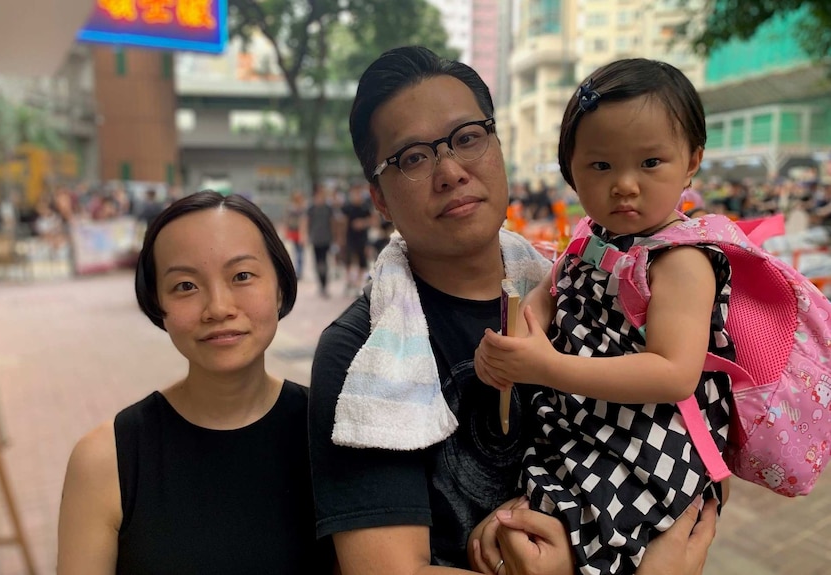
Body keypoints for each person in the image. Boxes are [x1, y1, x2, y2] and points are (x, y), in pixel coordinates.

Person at [308, 46, 716, 575]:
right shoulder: (361, 354)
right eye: (412, 157)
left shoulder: (589, 285)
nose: (450, 170)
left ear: (497, 145)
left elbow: (694, 430)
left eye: (467, 137)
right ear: (379, 198)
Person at [474, 59, 732, 574]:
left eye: (651, 162)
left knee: (583, 539)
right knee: (521, 523)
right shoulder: (591, 240)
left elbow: (673, 373)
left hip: (653, 442)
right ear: (571, 169)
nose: (625, 185)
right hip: (588, 424)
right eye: (601, 166)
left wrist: (544, 368)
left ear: (692, 160)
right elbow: (547, 298)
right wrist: (511, 349)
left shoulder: (681, 259)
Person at [57, 191, 332, 574]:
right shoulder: (106, 461)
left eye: (242, 276)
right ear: (158, 305)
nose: (218, 308)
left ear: (280, 285)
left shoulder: (332, 434)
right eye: (185, 285)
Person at [308, 185, 335, 297]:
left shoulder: (328, 208)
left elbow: (332, 222)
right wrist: (306, 236)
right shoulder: (311, 208)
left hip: (326, 238)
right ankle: (320, 284)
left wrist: (334, 237)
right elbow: (307, 222)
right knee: (318, 262)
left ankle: (324, 285)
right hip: (315, 238)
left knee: (324, 262)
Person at [284, 190, 308, 279]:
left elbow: (305, 221)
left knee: (300, 252)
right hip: (294, 231)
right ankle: (298, 270)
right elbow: (287, 220)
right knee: (296, 251)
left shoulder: (303, 209)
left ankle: (299, 270)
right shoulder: (291, 208)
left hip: (301, 231)